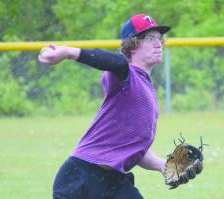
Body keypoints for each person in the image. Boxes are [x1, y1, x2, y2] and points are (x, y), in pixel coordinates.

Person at [39, 13, 171, 199]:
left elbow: (133, 146)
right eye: (150, 38)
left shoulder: (146, 88)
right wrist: (68, 52)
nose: (158, 44)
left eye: (159, 38)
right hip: (80, 178)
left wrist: (162, 165)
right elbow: (114, 62)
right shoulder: (124, 75)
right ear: (132, 44)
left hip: (112, 182)